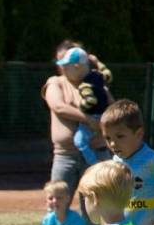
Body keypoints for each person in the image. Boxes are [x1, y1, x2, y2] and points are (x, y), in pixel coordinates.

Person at [41, 40, 112, 201]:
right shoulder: (55, 82)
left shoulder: (96, 82)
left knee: (97, 205)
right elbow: (58, 107)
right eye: (60, 61)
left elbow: (112, 109)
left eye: (67, 61)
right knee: (57, 203)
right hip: (65, 155)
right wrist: (88, 119)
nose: (62, 66)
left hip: (97, 152)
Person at [57, 46, 111, 167]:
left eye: (67, 67)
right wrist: (97, 62)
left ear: (77, 67)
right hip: (103, 115)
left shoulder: (84, 86)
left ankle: (93, 163)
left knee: (79, 141)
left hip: (94, 117)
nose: (64, 70)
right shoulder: (98, 76)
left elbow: (90, 101)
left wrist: (79, 106)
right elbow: (108, 74)